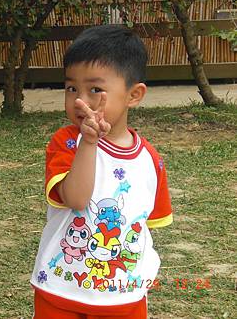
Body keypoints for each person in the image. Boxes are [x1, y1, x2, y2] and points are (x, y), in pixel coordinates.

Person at [31, 25, 173, 318]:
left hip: (123, 298)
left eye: (95, 89)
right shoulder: (67, 142)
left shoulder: (150, 160)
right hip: (61, 290)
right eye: (72, 89)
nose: (80, 100)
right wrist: (89, 143)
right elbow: (76, 199)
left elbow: (145, 228)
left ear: (134, 95)